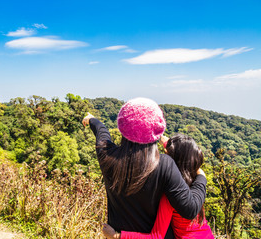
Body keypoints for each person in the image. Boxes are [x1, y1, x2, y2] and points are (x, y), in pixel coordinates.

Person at [82, 97, 207, 239]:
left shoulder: (106, 155)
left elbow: (101, 132)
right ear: (157, 129)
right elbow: (190, 209)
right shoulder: (164, 165)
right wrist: (201, 178)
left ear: (122, 125)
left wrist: (92, 120)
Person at [102, 134, 214, 239]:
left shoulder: (170, 197)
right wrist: (158, 136)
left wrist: (117, 235)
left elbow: (156, 236)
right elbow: (182, 156)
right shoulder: (194, 183)